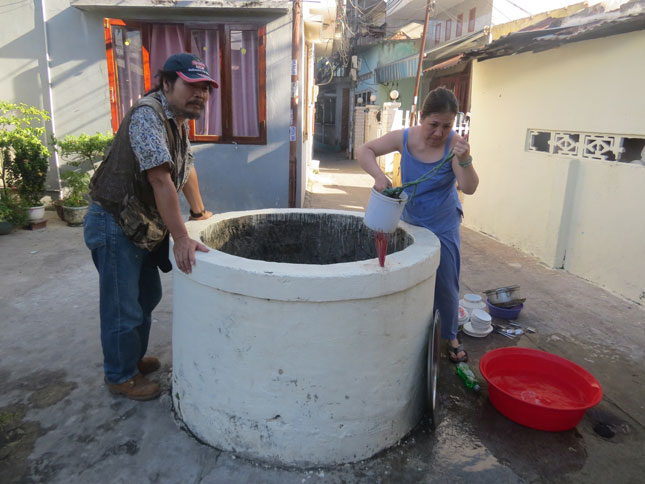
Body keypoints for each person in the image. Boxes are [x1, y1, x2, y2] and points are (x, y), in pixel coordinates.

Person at [84, 53, 216, 400]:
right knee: (122, 306)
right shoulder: (148, 116)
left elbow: (185, 170)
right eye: (192, 85)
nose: (200, 94)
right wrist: (182, 237)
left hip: (138, 224)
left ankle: (131, 358)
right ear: (167, 83)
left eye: (205, 88)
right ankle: (120, 375)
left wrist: (200, 213)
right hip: (114, 222)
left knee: (148, 296)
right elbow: (160, 180)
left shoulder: (177, 119)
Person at [357, 87, 479, 363]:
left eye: (447, 126)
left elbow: (469, 187)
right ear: (420, 118)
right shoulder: (404, 138)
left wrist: (465, 159)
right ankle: (410, 328)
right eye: (433, 124)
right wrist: (378, 176)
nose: (439, 133)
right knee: (406, 277)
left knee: (445, 283)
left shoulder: (454, 145)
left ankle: (450, 335)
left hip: (443, 223)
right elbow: (364, 150)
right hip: (410, 221)